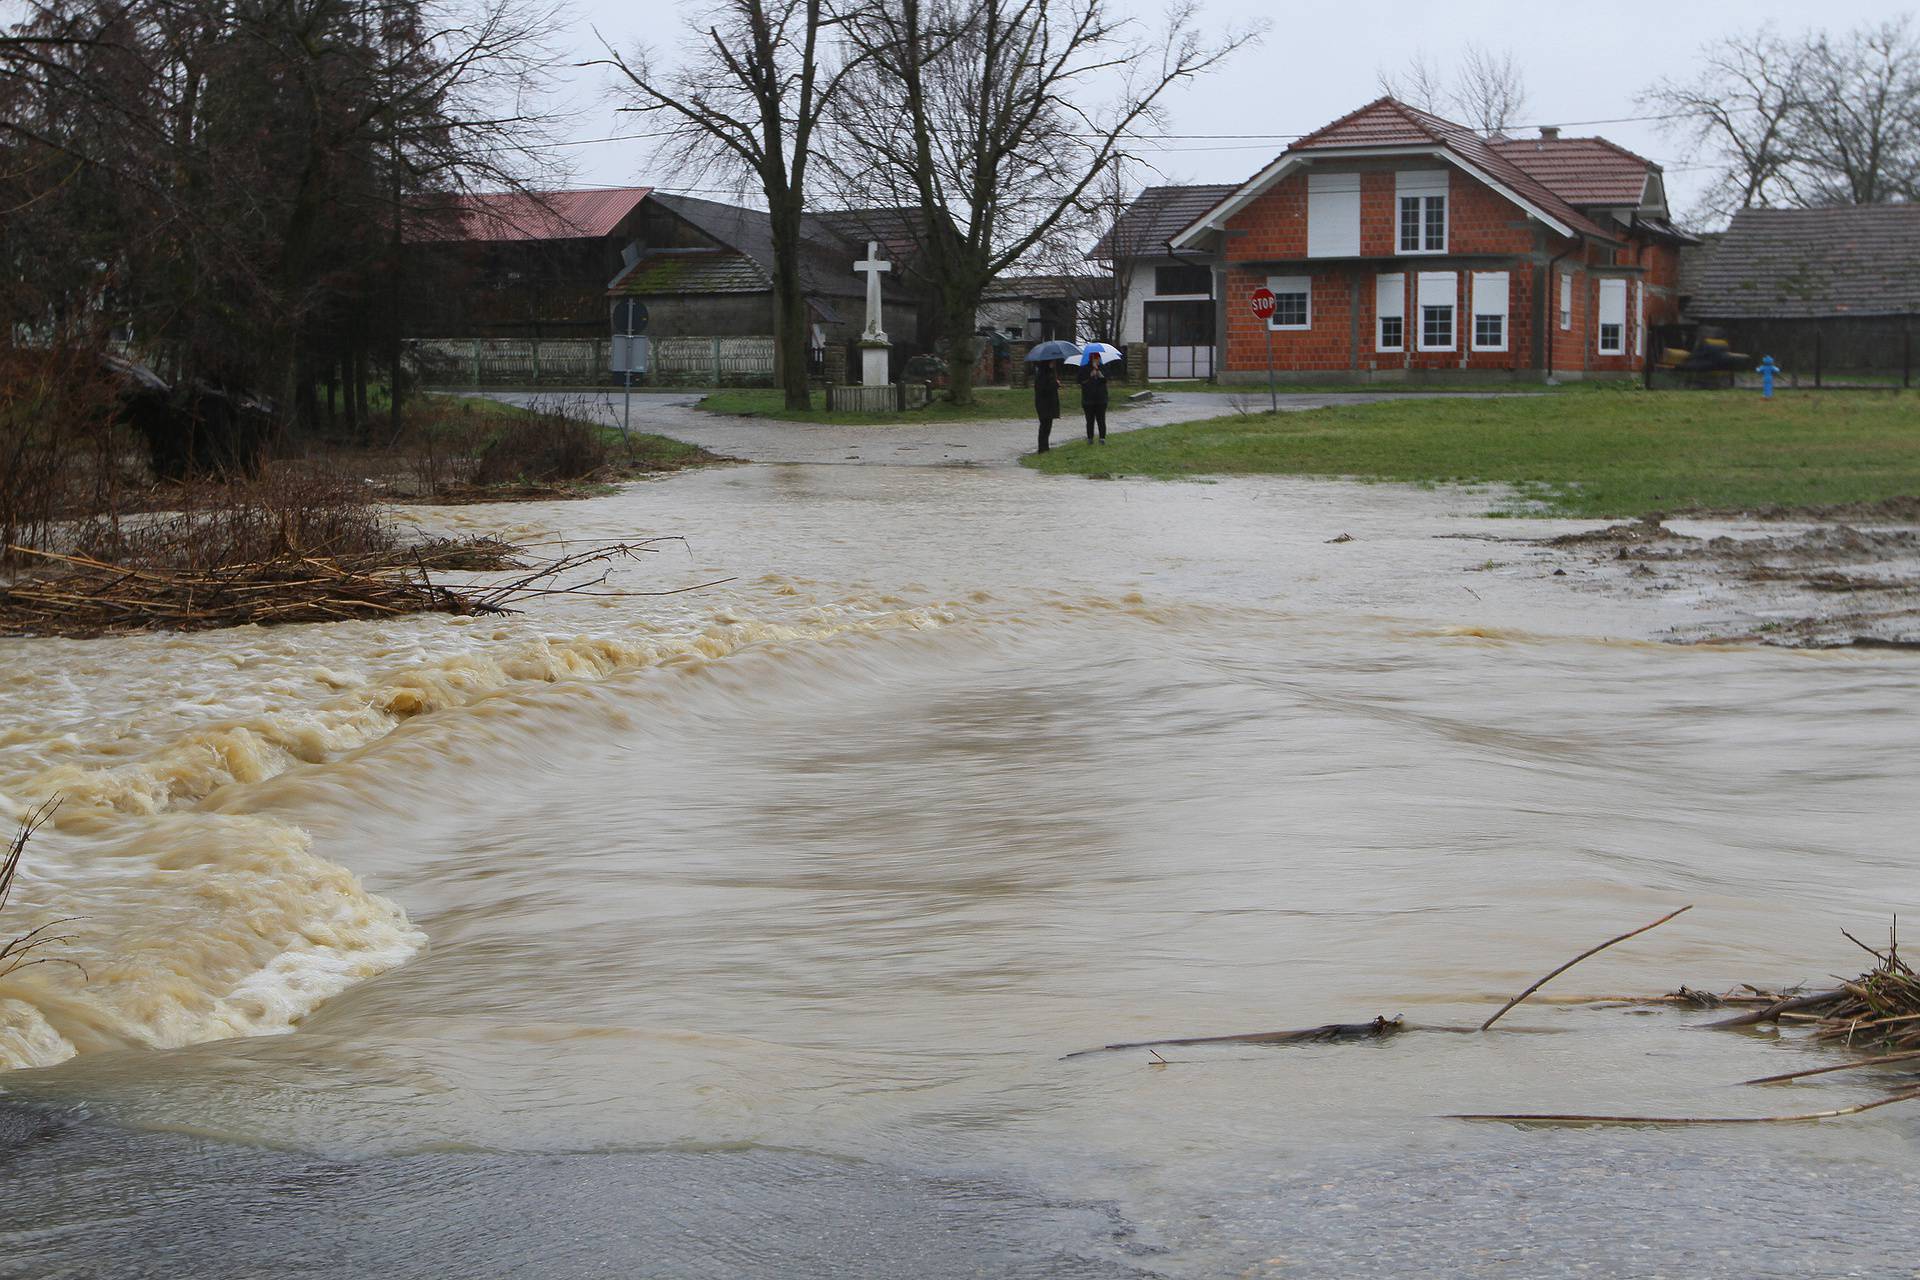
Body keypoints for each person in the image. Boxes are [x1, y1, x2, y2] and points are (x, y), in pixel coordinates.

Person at [1078, 351, 1109, 443]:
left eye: (1098, 359)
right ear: (1091, 359)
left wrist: (1099, 373)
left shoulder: (1103, 368)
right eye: (1095, 359)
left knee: (1101, 419)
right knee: (1089, 420)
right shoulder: (1084, 369)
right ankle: (1090, 437)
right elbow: (1080, 381)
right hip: (1088, 399)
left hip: (1101, 398)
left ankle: (1102, 437)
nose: (1097, 361)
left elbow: (1106, 379)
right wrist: (1090, 375)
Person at [1034, 358, 1061, 452]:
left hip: (1049, 403)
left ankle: (1045, 446)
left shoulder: (1050, 373)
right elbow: (1044, 389)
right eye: (1051, 362)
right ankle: (1042, 447)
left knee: (1048, 426)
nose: (1053, 363)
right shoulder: (1042, 374)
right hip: (1043, 403)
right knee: (1044, 425)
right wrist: (1055, 384)